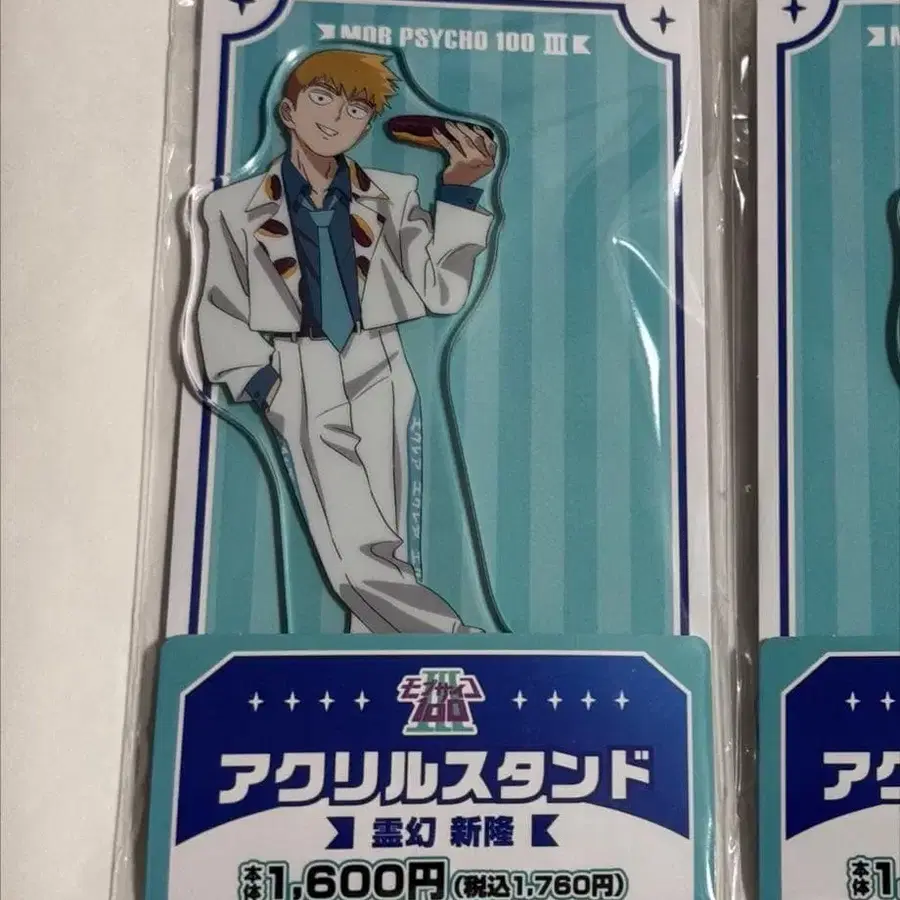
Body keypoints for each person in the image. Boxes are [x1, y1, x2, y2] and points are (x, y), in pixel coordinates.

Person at [197, 49, 497, 632]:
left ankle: (376, 655)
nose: (336, 118)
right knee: (350, 553)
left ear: (366, 126)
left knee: (387, 537)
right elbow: (219, 301)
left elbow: (440, 291)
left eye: (356, 109)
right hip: (297, 368)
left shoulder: (392, 192)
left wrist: (459, 190)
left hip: (379, 360)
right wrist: (261, 380)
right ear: (288, 110)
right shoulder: (231, 207)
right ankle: (453, 639)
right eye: (322, 98)